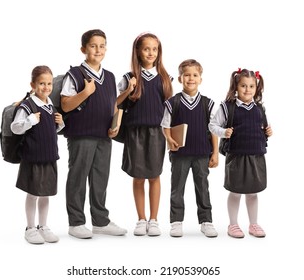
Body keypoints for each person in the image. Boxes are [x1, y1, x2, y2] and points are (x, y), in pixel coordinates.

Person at [61, 29, 127, 239]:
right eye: (93, 46)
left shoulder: (109, 77)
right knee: (78, 178)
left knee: (100, 178)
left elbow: (113, 105)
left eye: (102, 45)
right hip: (81, 135)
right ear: (83, 49)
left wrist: (115, 125)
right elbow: (65, 105)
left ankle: (100, 220)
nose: (98, 50)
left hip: (103, 136)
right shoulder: (75, 75)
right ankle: (76, 222)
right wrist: (85, 92)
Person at [117, 32, 173, 236]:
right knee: (139, 177)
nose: (151, 52)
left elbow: (170, 110)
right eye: (146, 48)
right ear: (138, 52)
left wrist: (170, 135)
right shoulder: (129, 78)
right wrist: (128, 90)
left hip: (157, 133)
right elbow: (115, 105)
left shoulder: (165, 78)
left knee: (155, 176)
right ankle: (141, 219)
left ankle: (154, 219)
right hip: (135, 133)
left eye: (154, 49)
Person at [209, 68, 273, 238]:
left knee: (253, 192)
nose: (247, 89)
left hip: (256, 155)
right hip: (236, 156)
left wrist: (268, 131)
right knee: (235, 191)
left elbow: (261, 126)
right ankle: (233, 225)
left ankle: (253, 224)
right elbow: (212, 125)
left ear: (256, 88)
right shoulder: (227, 107)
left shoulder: (260, 108)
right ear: (236, 86)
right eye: (243, 85)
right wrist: (224, 132)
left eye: (251, 86)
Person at [161, 59, 219, 238]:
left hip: (202, 153)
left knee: (202, 187)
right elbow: (165, 125)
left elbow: (213, 129)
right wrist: (169, 139)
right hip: (180, 154)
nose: (191, 78)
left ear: (201, 79)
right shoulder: (173, 103)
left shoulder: (207, 104)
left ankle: (206, 221)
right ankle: (176, 221)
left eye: (195, 75)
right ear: (180, 78)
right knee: (177, 187)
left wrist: (215, 152)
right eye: (187, 75)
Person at [11, 65, 65, 244]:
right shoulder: (27, 106)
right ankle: (30, 228)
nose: (46, 87)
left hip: (49, 157)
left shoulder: (50, 104)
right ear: (32, 84)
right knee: (33, 193)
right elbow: (15, 128)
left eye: (49, 83)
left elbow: (49, 131)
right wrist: (30, 120)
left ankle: (44, 226)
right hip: (33, 158)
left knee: (45, 193)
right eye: (42, 83)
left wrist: (60, 123)